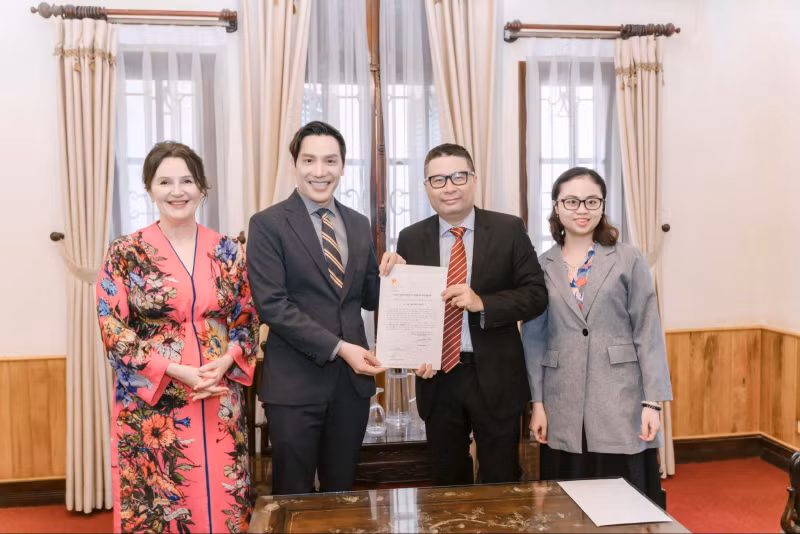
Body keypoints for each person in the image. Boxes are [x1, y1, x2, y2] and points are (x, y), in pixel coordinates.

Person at [96, 141, 260, 533]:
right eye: (165, 181)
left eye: (187, 180)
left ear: (202, 187)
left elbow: (247, 318)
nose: (178, 191)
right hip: (153, 406)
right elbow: (113, 329)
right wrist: (174, 370)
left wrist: (225, 362)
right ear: (150, 188)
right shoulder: (125, 252)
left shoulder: (227, 252)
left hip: (217, 397)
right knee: (161, 504)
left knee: (222, 500)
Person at [246, 121, 404, 495]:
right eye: (310, 160)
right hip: (295, 385)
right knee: (293, 494)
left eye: (330, 161)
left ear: (343, 166)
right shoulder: (268, 224)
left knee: (342, 490)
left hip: (351, 387)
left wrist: (396, 277)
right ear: (294, 165)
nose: (320, 171)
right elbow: (272, 305)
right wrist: (341, 348)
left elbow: (367, 295)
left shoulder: (358, 223)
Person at [396, 143, 548, 485]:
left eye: (458, 176)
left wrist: (483, 303)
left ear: (473, 180)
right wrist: (412, 354)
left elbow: (536, 295)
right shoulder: (410, 238)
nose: (449, 187)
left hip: (495, 374)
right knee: (446, 479)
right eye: (438, 180)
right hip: (438, 377)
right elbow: (406, 306)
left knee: (501, 477)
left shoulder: (509, 230)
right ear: (426, 187)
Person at [521, 166, 673, 506]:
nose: (582, 209)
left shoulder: (628, 258)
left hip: (621, 400)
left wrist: (652, 403)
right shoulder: (541, 265)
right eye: (572, 201)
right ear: (556, 207)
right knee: (568, 506)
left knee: (624, 505)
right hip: (562, 403)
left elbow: (648, 331)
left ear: (602, 207)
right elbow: (533, 340)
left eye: (592, 201)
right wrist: (538, 404)